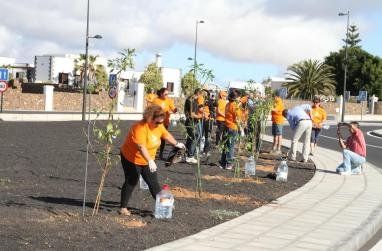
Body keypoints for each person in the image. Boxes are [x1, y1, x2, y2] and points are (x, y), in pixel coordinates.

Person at [119, 105, 185, 216]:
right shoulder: (139, 127)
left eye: (161, 122)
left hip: (148, 159)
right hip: (131, 158)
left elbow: (166, 135)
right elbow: (141, 147)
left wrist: (177, 143)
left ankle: (163, 204)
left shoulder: (159, 126)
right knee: (132, 180)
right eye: (158, 122)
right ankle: (123, 208)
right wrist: (150, 160)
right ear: (150, 118)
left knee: (153, 182)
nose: (160, 124)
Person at [152, 88, 178, 159]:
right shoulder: (155, 100)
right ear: (161, 94)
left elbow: (173, 108)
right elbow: (151, 110)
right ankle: (152, 152)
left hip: (165, 122)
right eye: (165, 94)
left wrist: (175, 110)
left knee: (163, 138)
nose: (167, 95)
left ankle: (161, 153)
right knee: (156, 137)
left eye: (168, 94)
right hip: (156, 122)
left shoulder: (169, 101)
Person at [219, 89, 242, 170]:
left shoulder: (228, 104)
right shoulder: (235, 106)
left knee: (226, 145)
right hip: (233, 127)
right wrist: (241, 129)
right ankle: (229, 163)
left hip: (226, 126)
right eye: (239, 97)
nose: (240, 98)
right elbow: (237, 119)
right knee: (231, 146)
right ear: (236, 98)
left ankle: (222, 162)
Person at [184, 89, 203, 164]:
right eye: (201, 95)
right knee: (195, 137)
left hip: (192, 121)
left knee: (190, 138)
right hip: (191, 122)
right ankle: (190, 156)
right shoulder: (191, 101)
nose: (200, 97)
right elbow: (192, 114)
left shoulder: (192, 100)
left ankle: (187, 154)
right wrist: (199, 116)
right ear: (198, 94)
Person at [270, 90, 285, 154]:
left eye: (274, 96)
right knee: (275, 135)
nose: (273, 98)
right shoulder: (275, 102)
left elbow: (275, 109)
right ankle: (274, 148)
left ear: (277, 96)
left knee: (278, 135)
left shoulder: (279, 102)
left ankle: (278, 149)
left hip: (278, 121)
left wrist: (269, 107)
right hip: (275, 120)